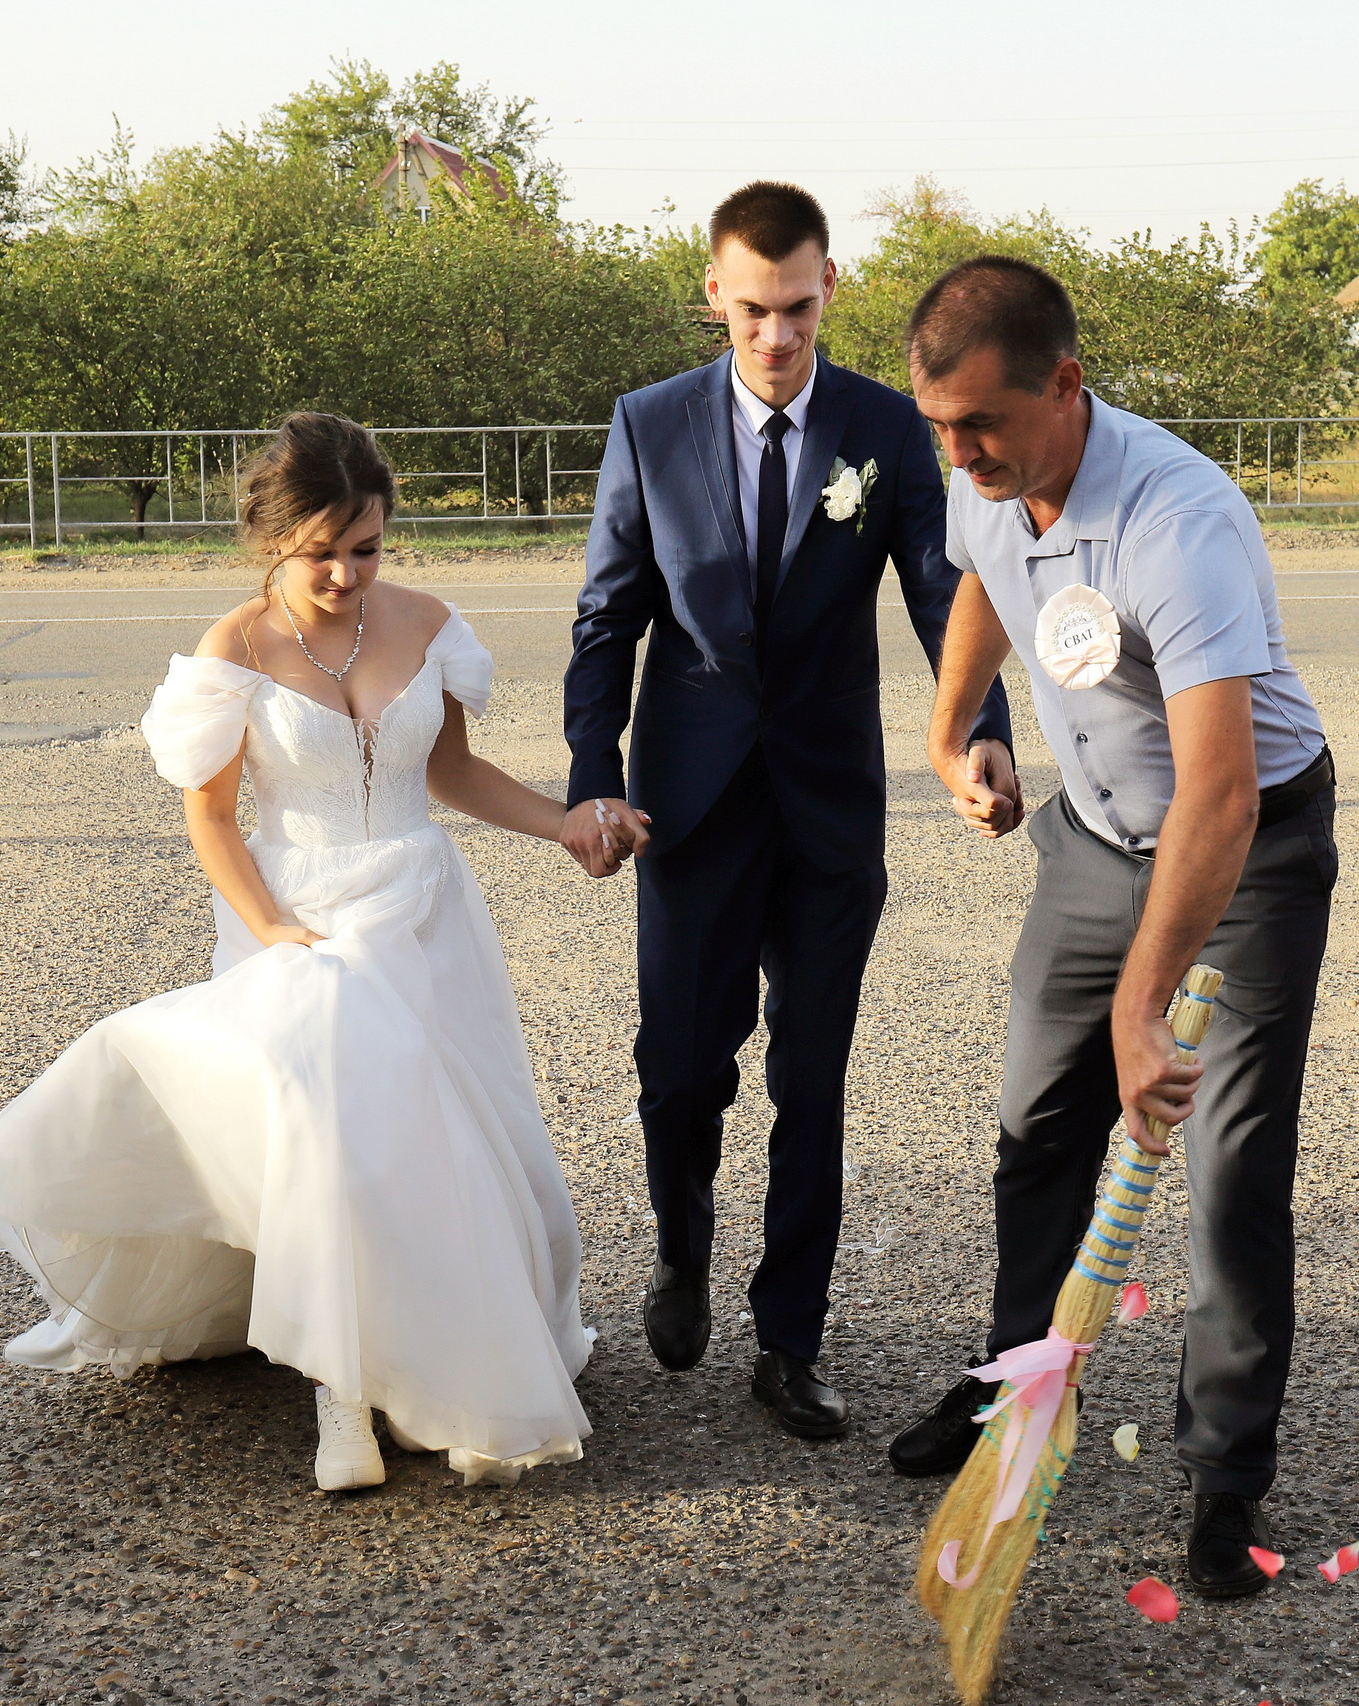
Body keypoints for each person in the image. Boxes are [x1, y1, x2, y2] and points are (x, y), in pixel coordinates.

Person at [0, 413, 597, 1493]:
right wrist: (275, 929)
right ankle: (342, 1392)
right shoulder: (233, 647)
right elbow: (211, 817)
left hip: (421, 903)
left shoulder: (429, 624)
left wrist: (562, 820)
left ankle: (451, 1358)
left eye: (366, 546)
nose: (344, 572)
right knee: (331, 1142)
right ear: (272, 540)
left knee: (451, 1149)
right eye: (319, 551)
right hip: (294, 909)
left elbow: (453, 776)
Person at [883, 256, 1336, 1601]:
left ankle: (1225, 1471)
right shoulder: (985, 477)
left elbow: (1223, 789)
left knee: (1229, 1172)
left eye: (984, 427)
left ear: (1065, 386)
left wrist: (1146, 1009)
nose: (958, 453)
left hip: (1247, 851)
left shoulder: (1177, 516)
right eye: (937, 427)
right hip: (1091, 839)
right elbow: (981, 578)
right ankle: (1011, 1395)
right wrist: (953, 723)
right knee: (1037, 1129)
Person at [560, 182, 1015, 1439]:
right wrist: (594, 775)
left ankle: (790, 1339)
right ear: (715, 293)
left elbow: (943, 594)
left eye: (798, 307)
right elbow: (608, 619)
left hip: (827, 812)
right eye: (753, 308)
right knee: (679, 1075)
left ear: (832, 288)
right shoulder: (649, 426)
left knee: (812, 1084)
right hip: (688, 810)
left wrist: (982, 734)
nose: (776, 334)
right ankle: (680, 1243)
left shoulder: (883, 425)